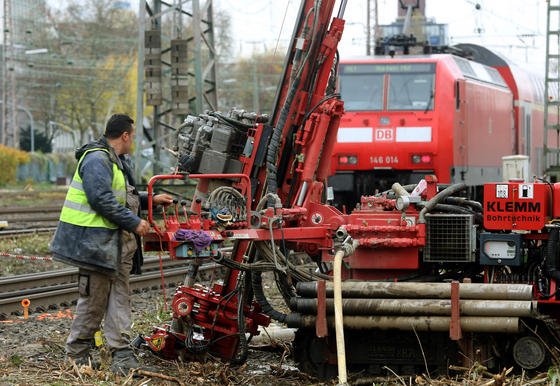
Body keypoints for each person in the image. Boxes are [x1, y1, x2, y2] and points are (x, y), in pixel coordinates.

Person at [50, 114, 173, 375]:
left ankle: (122, 354)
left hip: (115, 246)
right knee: (94, 300)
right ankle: (78, 353)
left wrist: (148, 199)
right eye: (133, 136)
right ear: (125, 135)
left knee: (119, 299)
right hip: (95, 245)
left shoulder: (113, 160)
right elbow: (101, 199)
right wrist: (134, 222)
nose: (134, 141)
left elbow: (120, 196)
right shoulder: (96, 159)